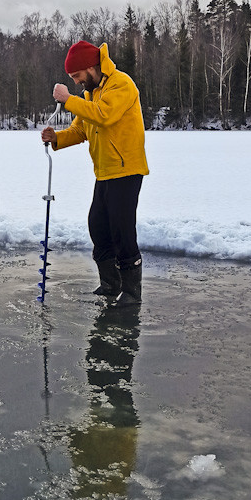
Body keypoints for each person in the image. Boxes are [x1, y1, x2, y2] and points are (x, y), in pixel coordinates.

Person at [41, 40, 149, 305]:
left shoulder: (121, 84)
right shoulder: (91, 94)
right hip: (104, 171)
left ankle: (132, 292)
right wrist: (57, 137)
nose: (77, 82)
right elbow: (81, 130)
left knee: (122, 231)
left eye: (77, 76)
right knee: (98, 227)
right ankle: (110, 284)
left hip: (126, 169)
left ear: (90, 67)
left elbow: (105, 115)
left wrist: (68, 100)